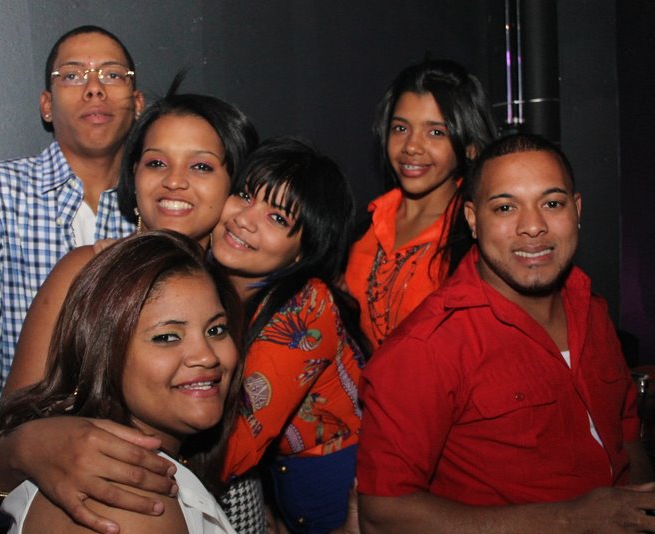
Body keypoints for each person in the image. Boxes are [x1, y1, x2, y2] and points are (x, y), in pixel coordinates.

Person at [0, 87, 259, 532]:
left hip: (231, 502)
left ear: (236, 187)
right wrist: (29, 447)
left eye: (200, 166)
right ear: (133, 176)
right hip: (122, 506)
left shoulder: (251, 282)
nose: (174, 181)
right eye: (156, 163)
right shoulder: (91, 273)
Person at [357, 133, 654, 533]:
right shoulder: (426, 348)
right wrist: (571, 520)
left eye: (552, 203)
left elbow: (626, 434)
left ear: (577, 209)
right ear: (472, 220)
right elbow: (382, 515)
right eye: (505, 207)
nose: (533, 226)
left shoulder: (591, 308)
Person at [0, 25, 144, 528]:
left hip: (136, 490)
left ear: (136, 103)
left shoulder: (155, 210)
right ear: (47, 105)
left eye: (112, 74)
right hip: (18, 496)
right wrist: (18, 483)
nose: (94, 88)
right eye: (73, 75)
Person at [0, 230, 242, 532]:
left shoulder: (151, 469)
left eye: (216, 330)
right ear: (105, 355)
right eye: (166, 337)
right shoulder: (128, 502)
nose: (207, 356)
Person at [212, 137, 368, 532]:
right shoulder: (211, 284)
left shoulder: (307, 307)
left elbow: (235, 448)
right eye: (245, 195)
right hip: (288, 497)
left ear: (303, 251)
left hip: (342, 506)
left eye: (277, 218)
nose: (245, 219)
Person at [345, 60, 496, 350]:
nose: (411, 146)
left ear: (470, 147)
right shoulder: (362, 230)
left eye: (436, 132)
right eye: (400, 128)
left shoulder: (480, 238)